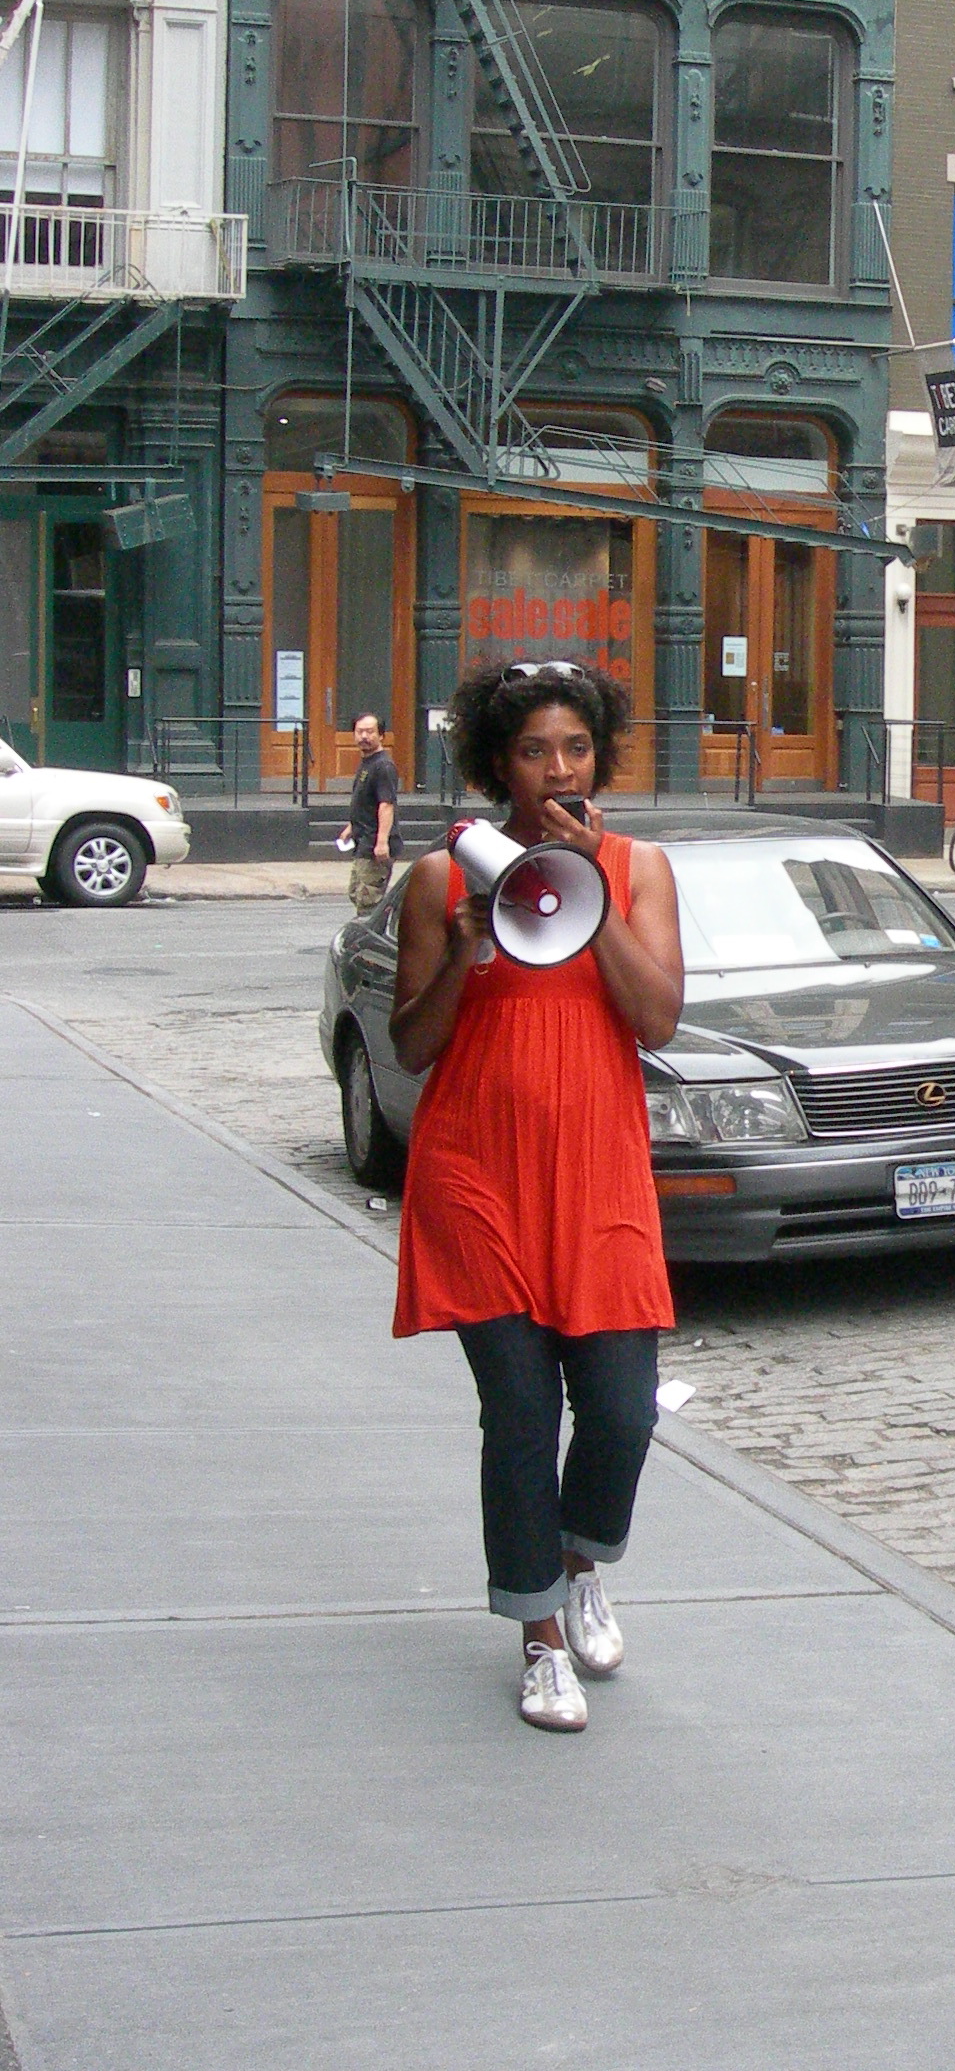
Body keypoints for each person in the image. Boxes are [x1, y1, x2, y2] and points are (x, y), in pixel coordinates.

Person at [389, 660, 684, 1733]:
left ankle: (579, 1563)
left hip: (595, 1170)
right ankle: (539, 1638)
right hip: (477, 1175)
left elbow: (657, 1022)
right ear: (495, 764)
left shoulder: (640, 867)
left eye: (575, 747)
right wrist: (466, 946)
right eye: (532, 750)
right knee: (519, 1412)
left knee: (619, 1409)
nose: (557, 768)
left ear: (599, 753)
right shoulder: (441, 880)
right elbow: (411, 1047)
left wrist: (587, 888)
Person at [342, 712, 399, 915]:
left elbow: (386, 805)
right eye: (360, 732)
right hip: (362, 839)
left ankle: (374, 941)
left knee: (368, 901)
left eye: (370, 732)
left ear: (381, 735)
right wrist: (352, 826)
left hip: (374, 844)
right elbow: (367, 802)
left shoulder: (383, 766)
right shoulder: (368, 762)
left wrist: (382, 841)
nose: (364, 736)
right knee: (356, 893)